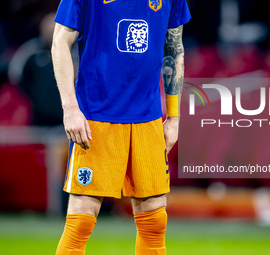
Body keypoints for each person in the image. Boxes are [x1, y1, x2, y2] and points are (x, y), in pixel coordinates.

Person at [51, 0, 191, 254]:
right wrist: (70, 107)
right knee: (82, 218)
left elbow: (174, 49)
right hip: (96, 115)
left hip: (148, 118)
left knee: (155, 220)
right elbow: (60, 40)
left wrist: (174, 117)